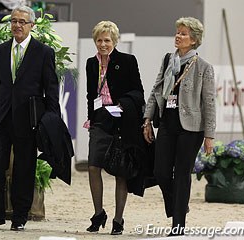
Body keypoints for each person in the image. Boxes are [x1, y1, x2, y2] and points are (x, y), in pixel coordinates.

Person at [0, 6, 60, 231]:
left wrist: (51, 120)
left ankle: (20, 217)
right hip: (2, 118)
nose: (17, 25)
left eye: (22, 21)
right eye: (14, 21)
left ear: (32, 25)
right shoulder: (1, 50)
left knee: (24, 168)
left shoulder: (43, 52)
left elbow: (51, 89)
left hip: (28, 120)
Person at [143, 17, 216, 236]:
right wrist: (147, 119)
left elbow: (209, 103)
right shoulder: (168, 61)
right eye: (177, 32)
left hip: (192, 128)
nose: (178, 36)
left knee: (182, 173)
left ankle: (178, 224)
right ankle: (179, 205)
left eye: (184, 33)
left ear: (194, 40)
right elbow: (156, 91)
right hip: (167, 123)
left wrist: (209, 135)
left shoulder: (204, 67)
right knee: (161, 172)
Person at [83, 20, 145, 235]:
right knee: (93, 167)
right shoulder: (92, 63)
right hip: (100, 119)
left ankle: (118, 220)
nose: (103, 44)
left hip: (122, 119)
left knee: (121, 171)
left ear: (115, 41)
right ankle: (98, 213)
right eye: (99, 40)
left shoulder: (127, 61)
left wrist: (123, 104)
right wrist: (91, 118)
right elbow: (91, 95)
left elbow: (138, 92)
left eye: (107, 40)